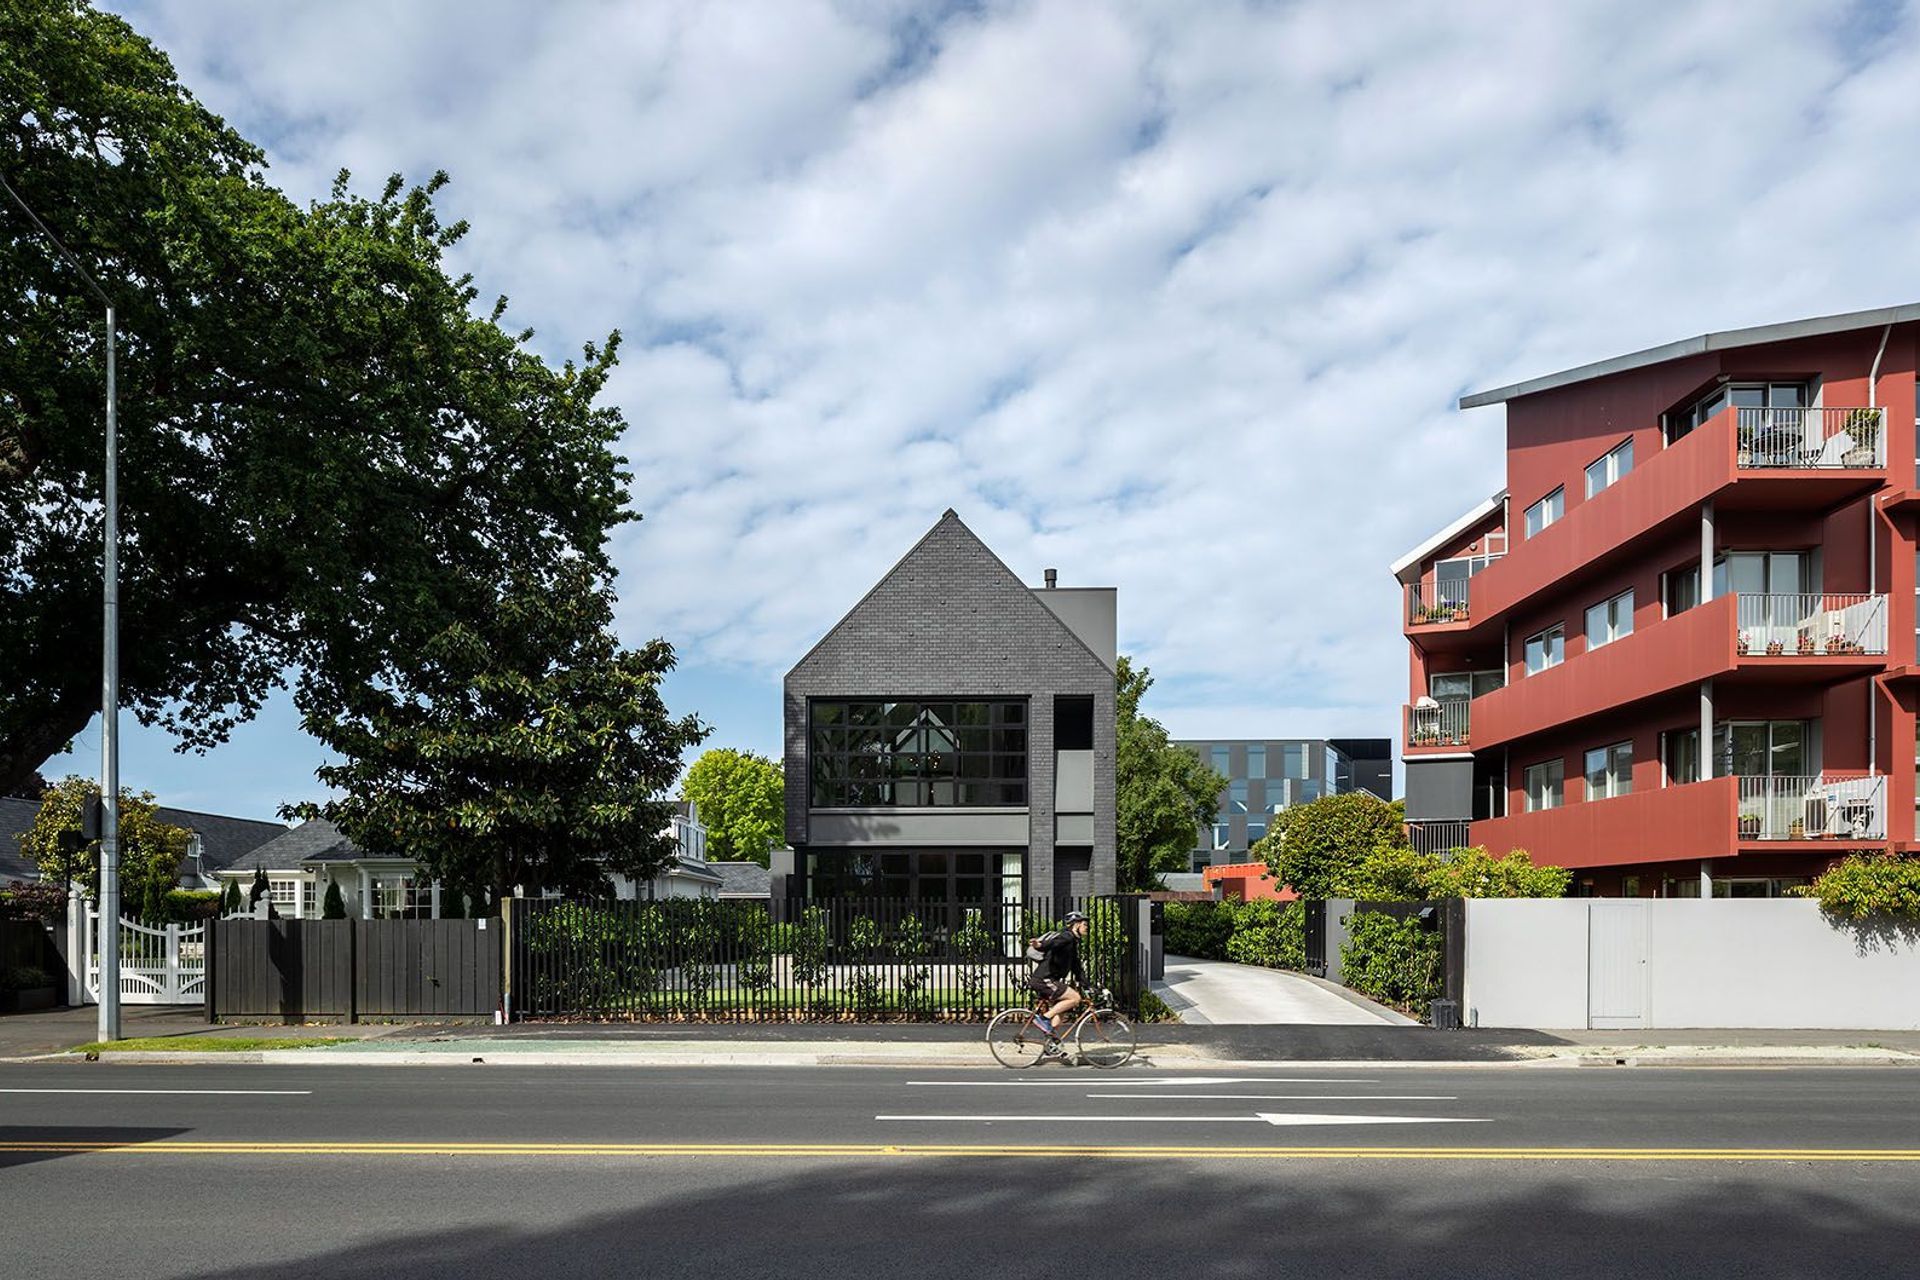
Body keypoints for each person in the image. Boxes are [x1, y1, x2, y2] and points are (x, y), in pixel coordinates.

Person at [1027, 911, 1090, 1055]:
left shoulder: (1072, 942)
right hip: (1044, 979)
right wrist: (1039, 944)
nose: (1087, 927)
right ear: (1076, 925)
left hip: (1049, 979)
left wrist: (1088, 985)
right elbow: (1054, 943)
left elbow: (1076, 967)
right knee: (1075, 998)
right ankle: (1043, 1018)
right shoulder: (1067, 937)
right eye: (1085, 924)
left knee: (1063, 1009)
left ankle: (1052, 1044)